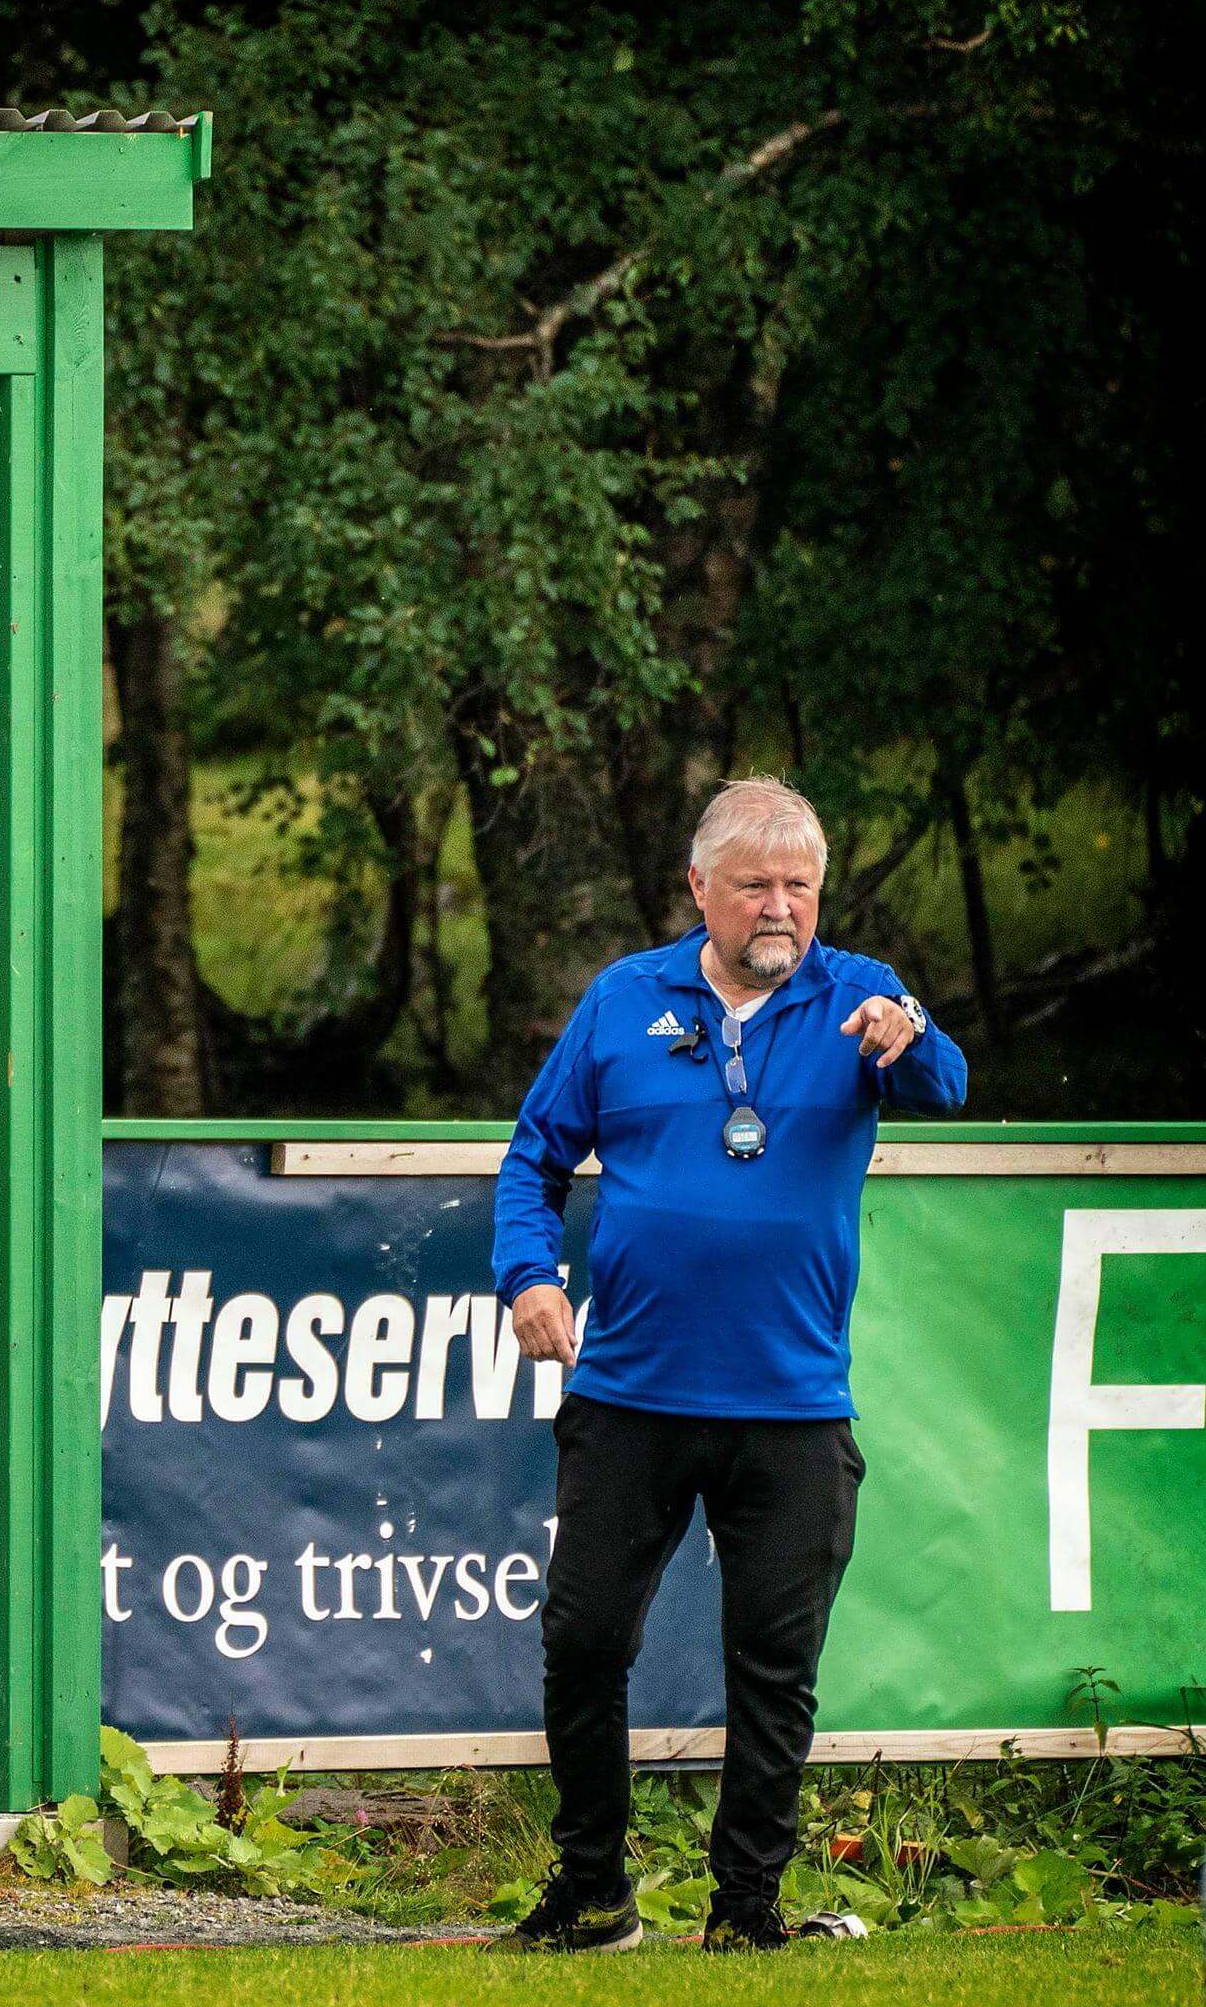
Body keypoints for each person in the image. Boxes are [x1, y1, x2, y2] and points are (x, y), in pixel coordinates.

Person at [491, 777, 967, 1953]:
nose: (778, 906)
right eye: (753, 882)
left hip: (792, 1403)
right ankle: (594, 1891)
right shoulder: (621, 998)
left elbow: (944, 1084)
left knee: (773, 1664)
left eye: (798, 884)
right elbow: (530, 1160)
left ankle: (744, 1911)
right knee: (584, 1638)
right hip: (629, 1395)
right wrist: (528, 1276)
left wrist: (911, 1038)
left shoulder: (857, 993)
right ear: (697, 886)